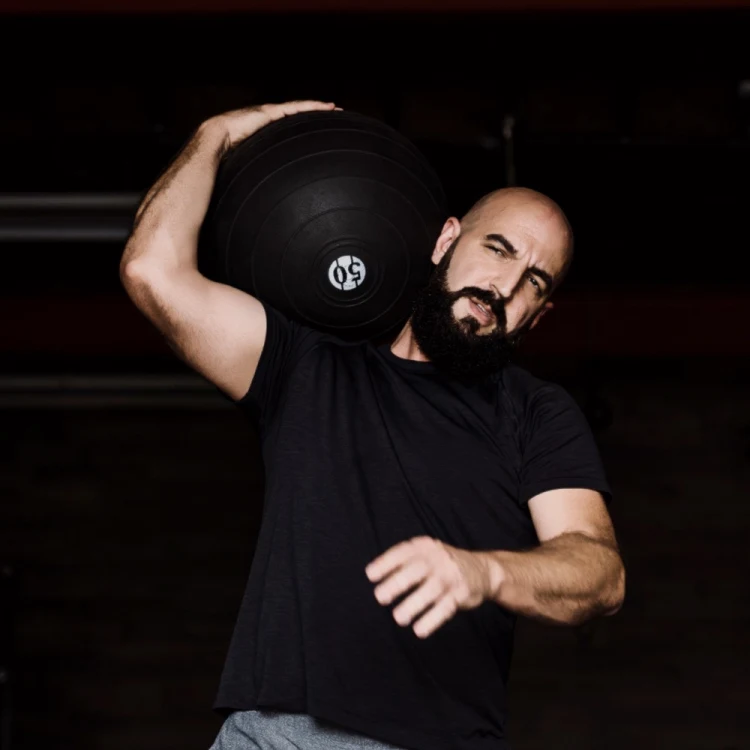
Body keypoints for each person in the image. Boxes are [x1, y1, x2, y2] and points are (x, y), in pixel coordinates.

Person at [120, 100, 625, 750]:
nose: (502, 286)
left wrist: (485, 573)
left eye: (533, 281)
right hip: (267, 735)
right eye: (496, 249)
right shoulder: (305, 368)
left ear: (539, 314)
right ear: (446, 240)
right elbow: (151, 271)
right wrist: (213, 135)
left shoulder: (535, 414)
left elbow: (598, 573)